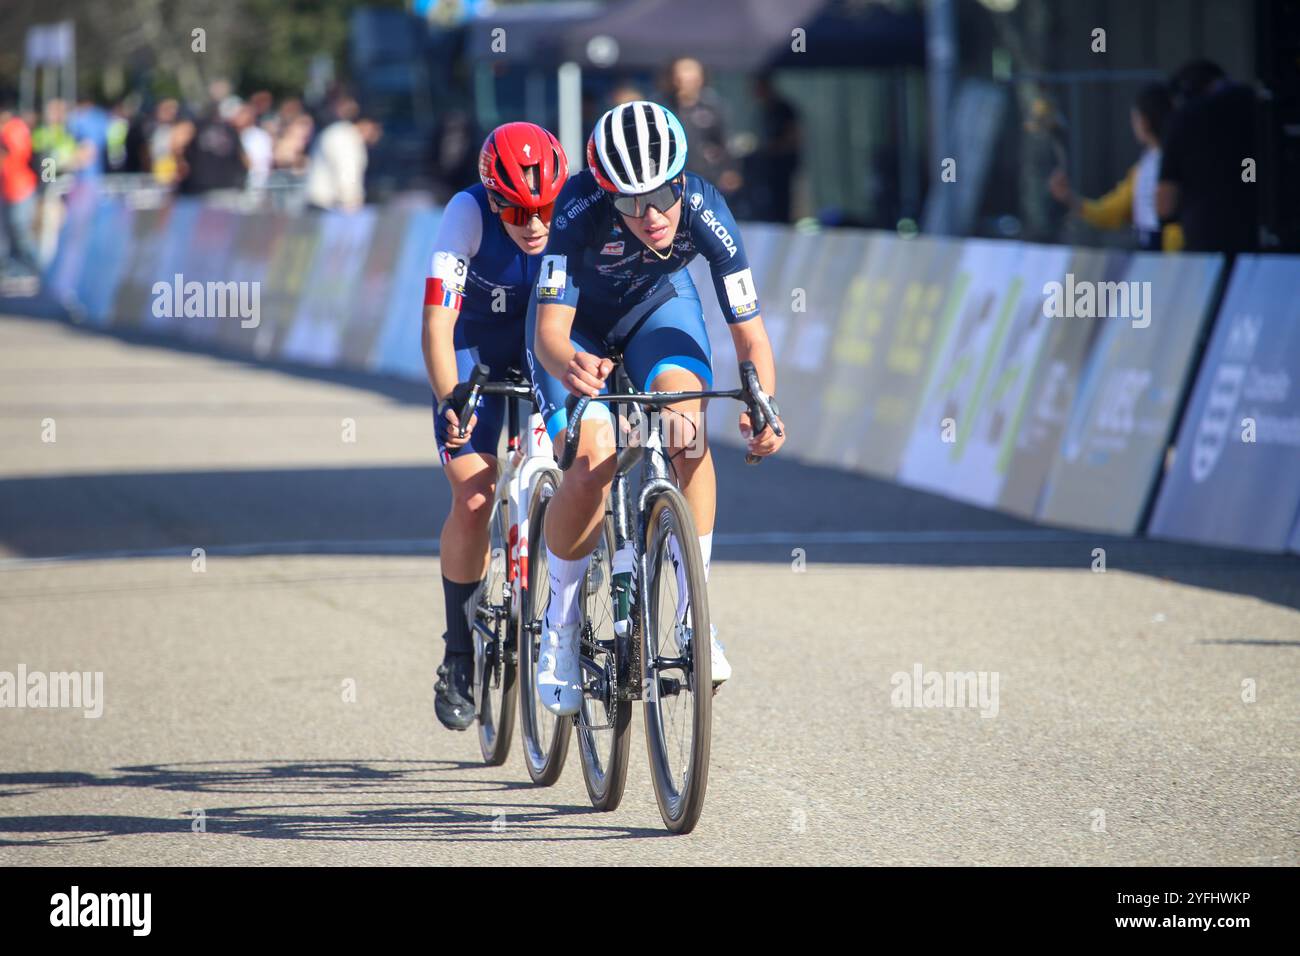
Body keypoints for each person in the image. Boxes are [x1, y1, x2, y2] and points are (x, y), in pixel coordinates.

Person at [527, 101, 786, 716]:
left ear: (681, 178)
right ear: (605, 192)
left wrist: (764, 403)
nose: (649, 216)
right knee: (591, 461)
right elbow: (549, 335)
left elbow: (750, 331)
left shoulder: (703, 206)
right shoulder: (577, 208)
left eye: (661, 195)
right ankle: (558, 629)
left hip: (657, 309)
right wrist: (571, 365)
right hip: (577, 329)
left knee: (685, 428)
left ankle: (697, 617)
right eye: (629, 203)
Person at [425, 122, 569, 730]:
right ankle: (458, 653)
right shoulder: (466, 213)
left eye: (542, 208)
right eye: (516, 209)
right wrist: (451, 397)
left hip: (548, 347)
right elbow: (436, 322)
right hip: (475, 355)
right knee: (475, 492)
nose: (534, 223)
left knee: (582, 460)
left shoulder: (574, 207)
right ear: (492, 196)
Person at [1049, 83, 1183, 251]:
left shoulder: (1176, 160)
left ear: (1144, 121)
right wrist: (1069, 198)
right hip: (1152, 252)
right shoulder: (1144, 167)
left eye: (1135, 117)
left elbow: (1111, 212)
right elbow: (1111, 212)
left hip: (1176, 256)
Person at [1157, 59, 1258, 255]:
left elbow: (1165, 203)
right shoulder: (1256, 103)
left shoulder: (1183, 119)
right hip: (1264, 235)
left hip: (1206, 238)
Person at [667, 57, 741, 196]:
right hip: (672, 176)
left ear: (699, 79)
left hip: (707, 177)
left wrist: (730, 169)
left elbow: (726, 141)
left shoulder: (713, 107)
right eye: (678, 77)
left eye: (688, 77)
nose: (682, 82)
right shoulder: (664, 106)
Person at [304, 96, 381, 211]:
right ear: (368, 125)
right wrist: (352, 206)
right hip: (328, 208)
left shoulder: (338, 132)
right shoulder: (347, 138)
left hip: (319, 205)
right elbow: (347, 175)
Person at [746, 72, 801, 222]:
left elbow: (793, 136)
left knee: (782, 200)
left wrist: (773, 148)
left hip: (783, 164)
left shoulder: (783, 109)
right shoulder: (763, 110)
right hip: (767, 166)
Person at [0, 104, 40, 279]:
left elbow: (15, 154)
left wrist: (48, 185)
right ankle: (13, 267)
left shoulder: (14, 129)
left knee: (20, 229)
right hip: (8, 189)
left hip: (21, 188)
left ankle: (32, 266)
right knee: (8, 231)